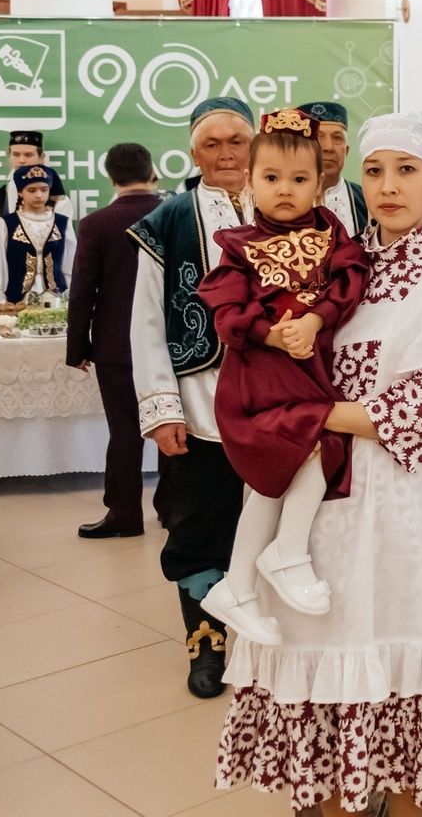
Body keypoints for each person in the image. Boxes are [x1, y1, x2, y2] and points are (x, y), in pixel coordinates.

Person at [217, 111, 422, 817]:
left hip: (389, 504)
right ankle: (322, 800)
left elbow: (418, 413)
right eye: (376, 171)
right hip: (304, 497)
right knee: (312, 653)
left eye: (407, 171)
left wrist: (291, 413)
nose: (389, 187)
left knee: (385, 655)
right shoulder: (332, 264)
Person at [197, 110, 369, 647]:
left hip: (308, 372)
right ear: (249, 182)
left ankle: (238, 585)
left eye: (299, 180)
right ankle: (286, 552)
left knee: (271, 480)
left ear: (320, 184)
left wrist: (316, 319)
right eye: (271, 178)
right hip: (261, 380)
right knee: (311, 443)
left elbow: (352, 278)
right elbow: (225, 312)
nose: (285, 190)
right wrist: (273, 334)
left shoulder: (331, 234)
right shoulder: (238, 245)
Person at [131, 96, 255, 698]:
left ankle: (267, 637)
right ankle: (206, 640)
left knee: (277, 524)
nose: (228, 152)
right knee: (200, 525)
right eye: (214, 143)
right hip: (199, 402)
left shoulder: (289, 203)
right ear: (192, 152)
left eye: (238, 140)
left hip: (280, 406)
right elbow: (147, 322)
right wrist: (160, 409)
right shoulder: (170, 219)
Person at [66, 142, 162, 539]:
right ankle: (174, 509)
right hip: (169, 343)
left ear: (111, 176)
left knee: (124, 433)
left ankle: (124, 515)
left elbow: (83, 291)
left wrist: (78, 347)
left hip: (116, 346)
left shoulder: (95, 224)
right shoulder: (172, 214)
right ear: (152, 170)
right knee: (176, 426)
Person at [0, 163, 74, 306]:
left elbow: (70, 265)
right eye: (32, 190)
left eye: (44, 189)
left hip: (56, 302)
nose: (39, 195)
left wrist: (70, 297)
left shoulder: (62, 223)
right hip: (17, 301)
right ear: (20, 192)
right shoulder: (6, 224)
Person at [0, 130, 73, 253]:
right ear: (9, 157)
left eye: (28, 155)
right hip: (5, 270)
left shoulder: (58, 200)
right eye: (16, 154)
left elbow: (62, 242)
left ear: (41, 158)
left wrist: (4, 233)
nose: (21, 160)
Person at [300, 101, 368, 236]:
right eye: (318, 137)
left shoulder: (366, 200)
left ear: (346, 150)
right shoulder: (281, 198)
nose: (328, 147)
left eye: (337, 138)